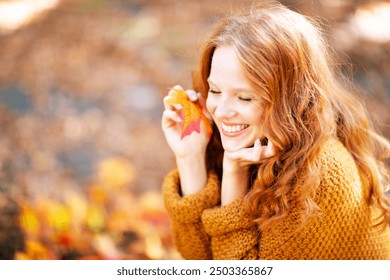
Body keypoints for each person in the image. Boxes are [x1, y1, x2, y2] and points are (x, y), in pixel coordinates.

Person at [161, 1, 390, 260]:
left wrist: (234, 176)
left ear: (290, 101)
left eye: (244, 98)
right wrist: (190, 156)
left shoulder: (321, 175)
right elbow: (198, 258)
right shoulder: (239, 142)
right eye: (215, 90)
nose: (221, 111)